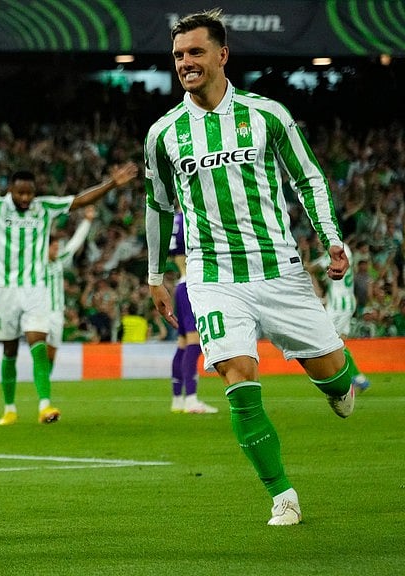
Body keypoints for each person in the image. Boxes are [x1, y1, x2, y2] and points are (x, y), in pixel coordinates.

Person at [144, 9, 363, 527]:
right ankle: (281, 493)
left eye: (196, 52)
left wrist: (332, 239)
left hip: (279, 271)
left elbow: (308, 178)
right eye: (178, 56)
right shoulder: (163, 133)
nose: (186, 63)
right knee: (238, 377)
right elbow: (157, 205)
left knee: (334, 379)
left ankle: (339, 383)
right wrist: (156, 276)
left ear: (222, 55)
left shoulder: (267, 115)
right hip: (213, 277)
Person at [0, 151, 138, 425]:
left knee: (39, 343)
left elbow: (79, 200)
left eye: (29, 193)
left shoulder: (44, 207)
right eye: (20, 193)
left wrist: (111, 184)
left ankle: (45, 405)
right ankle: (10, 407)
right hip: (5, 290)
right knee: (10, 351)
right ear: (11, 190)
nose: (26, 198)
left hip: (35, 289)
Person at [168, 209, 219, 414]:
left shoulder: (173, 220)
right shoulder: (189, 216)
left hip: (181, 282)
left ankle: (177, 399)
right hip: (192, 284)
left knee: (182, 343)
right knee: (194, 342)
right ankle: (191, 399)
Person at [307, 243, 370, 392]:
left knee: (329, 343)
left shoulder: (337, 250)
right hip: (344, 302)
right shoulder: (343, 248)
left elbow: (313, 268)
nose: (318, 241)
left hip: (339, 306)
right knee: (339, 344)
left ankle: (351, 378)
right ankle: (358, 378)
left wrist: (302, 263)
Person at [46, 205, 95, 367]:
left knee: (53, 348)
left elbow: (74, 243)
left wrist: (87, 221)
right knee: (38, 346)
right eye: (53, 248)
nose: (56, 250)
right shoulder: (35, 265)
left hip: (57, 313)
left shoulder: (59, 261)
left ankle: (45, 375)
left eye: (57, 247)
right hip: (39, 312)